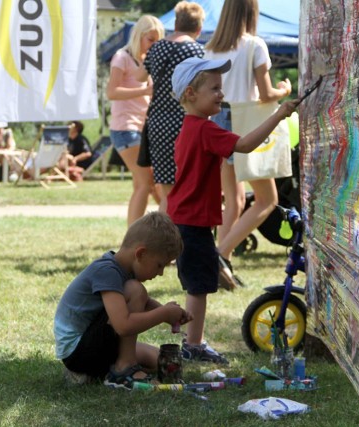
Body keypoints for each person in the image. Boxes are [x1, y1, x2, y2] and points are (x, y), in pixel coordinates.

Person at [167, 57, 298, 363]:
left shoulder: (190, 127)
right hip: (192, 222)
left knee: (197, 282)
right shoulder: (204, 130)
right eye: (214, 88)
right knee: (199, 286)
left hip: (186, 219)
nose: (221, 94)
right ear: (190, 94)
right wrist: (279, 114)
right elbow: (246, 145)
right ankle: (194, 345)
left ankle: (192, 339)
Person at [204, 0, 293, 282]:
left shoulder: (211, 48)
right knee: (267, 199)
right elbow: (265, 93)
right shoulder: (255, 45)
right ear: (251, 12)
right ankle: (221, 251)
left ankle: (221, 264)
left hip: (217, 122)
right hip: (245, 125)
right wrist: (284, 90)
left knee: (234, 200)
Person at [54, 211, 192, 387]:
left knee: (159, 359)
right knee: (135, 289)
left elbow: (147, 304)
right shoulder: (108, 272)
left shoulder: (121, 269)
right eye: (159, 265)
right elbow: (123, 325)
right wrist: (164, 313)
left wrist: (172, 314)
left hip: (90, 342)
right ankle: (124, 368)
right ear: (141, 254)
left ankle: (114, 366)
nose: (160, 273)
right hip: (78, 353)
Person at [137, 1, 205, 213]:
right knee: (189, 186)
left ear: (175, 23)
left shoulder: (156, 48)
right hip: (185, 123)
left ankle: (165, 241)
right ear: (199, 28)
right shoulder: (197, 51)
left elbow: (140, 76)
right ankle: (182, 238)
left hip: (157, 123)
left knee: (167, 192)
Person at [106, 15, 164, 225]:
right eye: (151, 39)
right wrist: (146, 90)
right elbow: (111, 92)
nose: (154, 45)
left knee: (150, 184)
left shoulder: (144, 61)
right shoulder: (122, 57)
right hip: (125, 128)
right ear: (139, 36)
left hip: (141, 128)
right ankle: (133, 240)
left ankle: (165, 230)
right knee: (146, 184)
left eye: (158, 40)